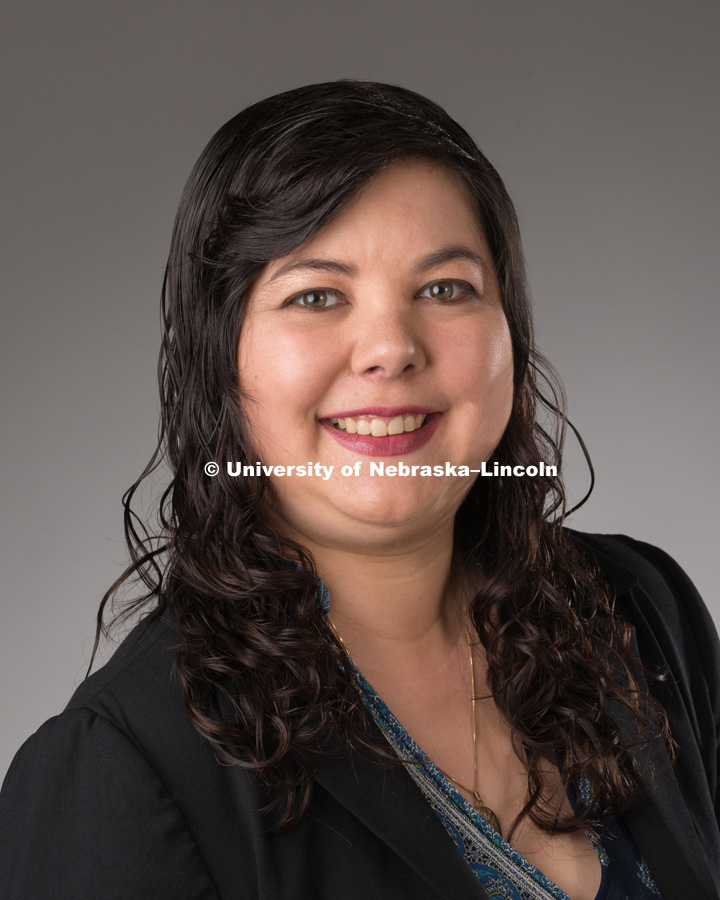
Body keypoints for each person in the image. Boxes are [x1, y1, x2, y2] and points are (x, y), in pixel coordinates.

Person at [0, 80, 718, 900]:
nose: (390, 348)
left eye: (445, 288)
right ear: (219, 358)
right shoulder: (121, 768)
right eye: (316, 296)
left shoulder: (641, 613)